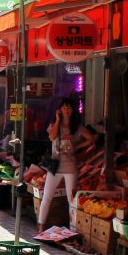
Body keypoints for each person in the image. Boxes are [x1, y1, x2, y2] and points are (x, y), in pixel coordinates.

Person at [39, 97, 88, 227]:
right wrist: (58, 119)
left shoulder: (77, 127)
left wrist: (78, 147)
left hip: (70, 167)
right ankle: (41, 226)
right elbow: (52, 136)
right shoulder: (54, 124)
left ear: (72, 110)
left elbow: (91, 138)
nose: (66, 109)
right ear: (59, 109)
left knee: (71, 199)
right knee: (47, 197)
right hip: (54, 166)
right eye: (64, 107)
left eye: (69, 107)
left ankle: (72, 228)